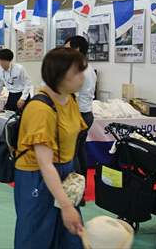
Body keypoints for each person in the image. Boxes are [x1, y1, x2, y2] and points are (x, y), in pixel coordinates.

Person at [14, 47, 88, 248]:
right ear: (60, 76)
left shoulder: (69, 99)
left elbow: (72, 143)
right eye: (77, 72)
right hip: (36, 177)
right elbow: (45, 164)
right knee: (36, 236)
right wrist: (65, 205)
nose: (83, 77)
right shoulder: (41, 109)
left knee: (69, 237)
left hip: (64, 172)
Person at [65, 35, 97, 205]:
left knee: (72, 153)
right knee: (80, 151)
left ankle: (76, 193)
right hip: (87, 113)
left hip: (78, 115)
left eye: (67, 48)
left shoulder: (78, 69)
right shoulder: (88, 67)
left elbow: (71, 94)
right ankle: (81, 188)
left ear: (77, 49)